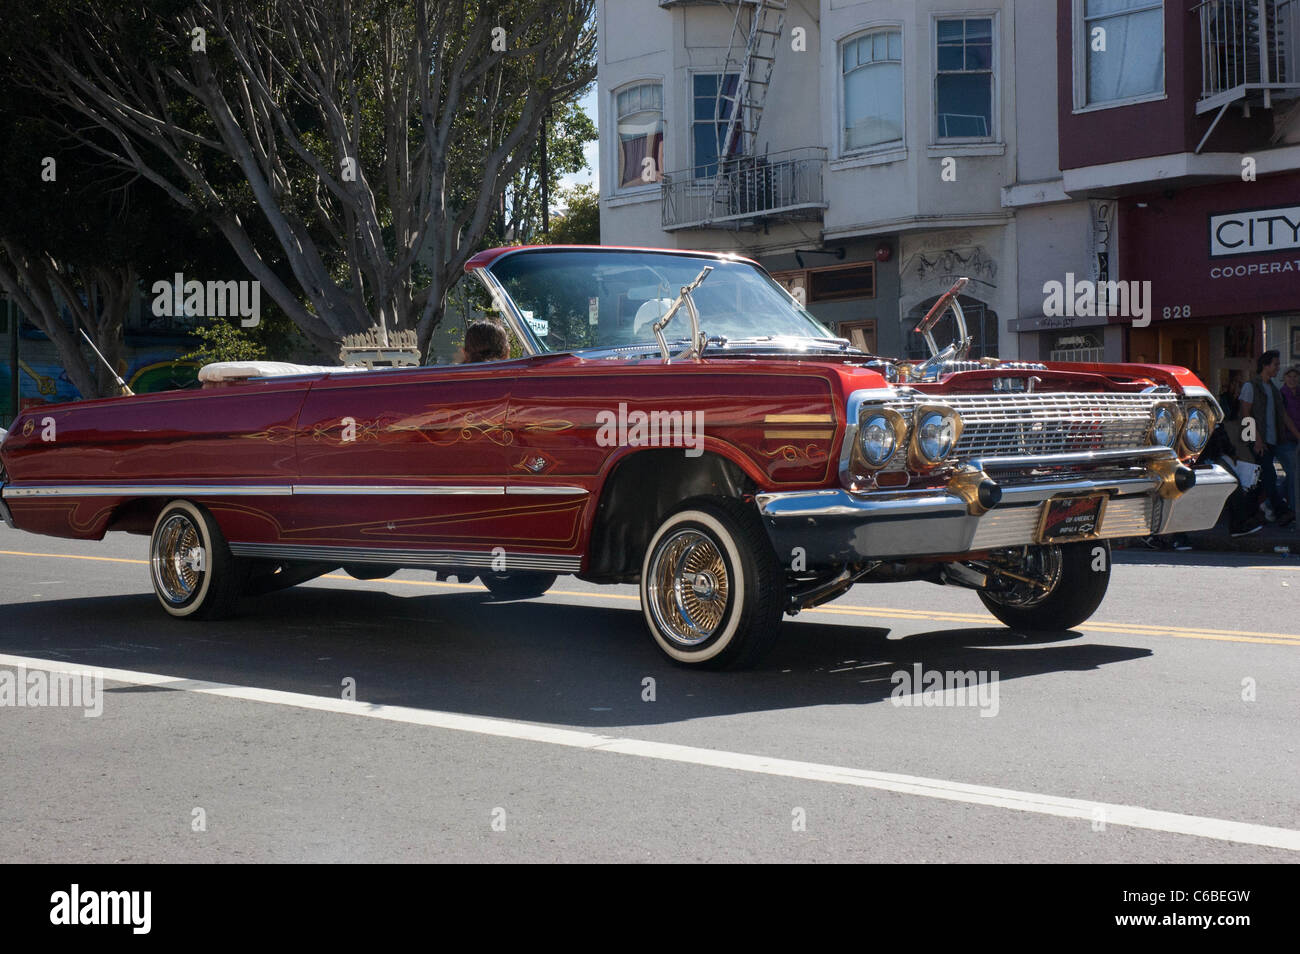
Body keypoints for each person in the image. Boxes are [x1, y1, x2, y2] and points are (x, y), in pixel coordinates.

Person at [1239, 349, 1298, 526]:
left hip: (1271, 440)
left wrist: (1297, 435)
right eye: (1275, 364)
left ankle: (1249, 514)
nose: (1277, 368)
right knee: (1270, 475)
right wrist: (1256, 439)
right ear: (1265, 365)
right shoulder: (1251, 386)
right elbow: (1245, 414)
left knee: (1259, 480)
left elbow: (1284, 416)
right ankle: (1283, 511)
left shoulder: (1273, 389)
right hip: (1256, 440)